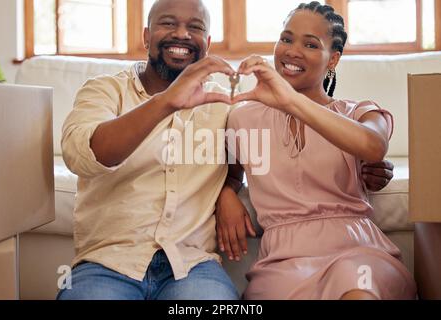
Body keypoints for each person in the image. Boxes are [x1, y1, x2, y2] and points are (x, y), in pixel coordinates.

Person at [57, 0, 395, 300]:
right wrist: (168, 106)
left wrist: (226, 190)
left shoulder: (226, 105)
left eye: (195, 27)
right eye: (167, 23)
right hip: (110, 262)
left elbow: (370, 145)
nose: (181, 34)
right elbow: (84, 154)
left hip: (194, 265)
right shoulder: (107, 91)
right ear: (146, 36)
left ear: (208, 42)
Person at [216, 1, 416, 300]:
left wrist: (290, 101)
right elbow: (228, 175)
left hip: (357, 252)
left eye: (310, 44)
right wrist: (225, 195)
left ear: (332, 59)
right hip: (282, 262)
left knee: (358, 289)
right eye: (286, 39)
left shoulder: (360, 112)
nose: (292, 50)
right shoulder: (243, 117)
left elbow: (374, 147)